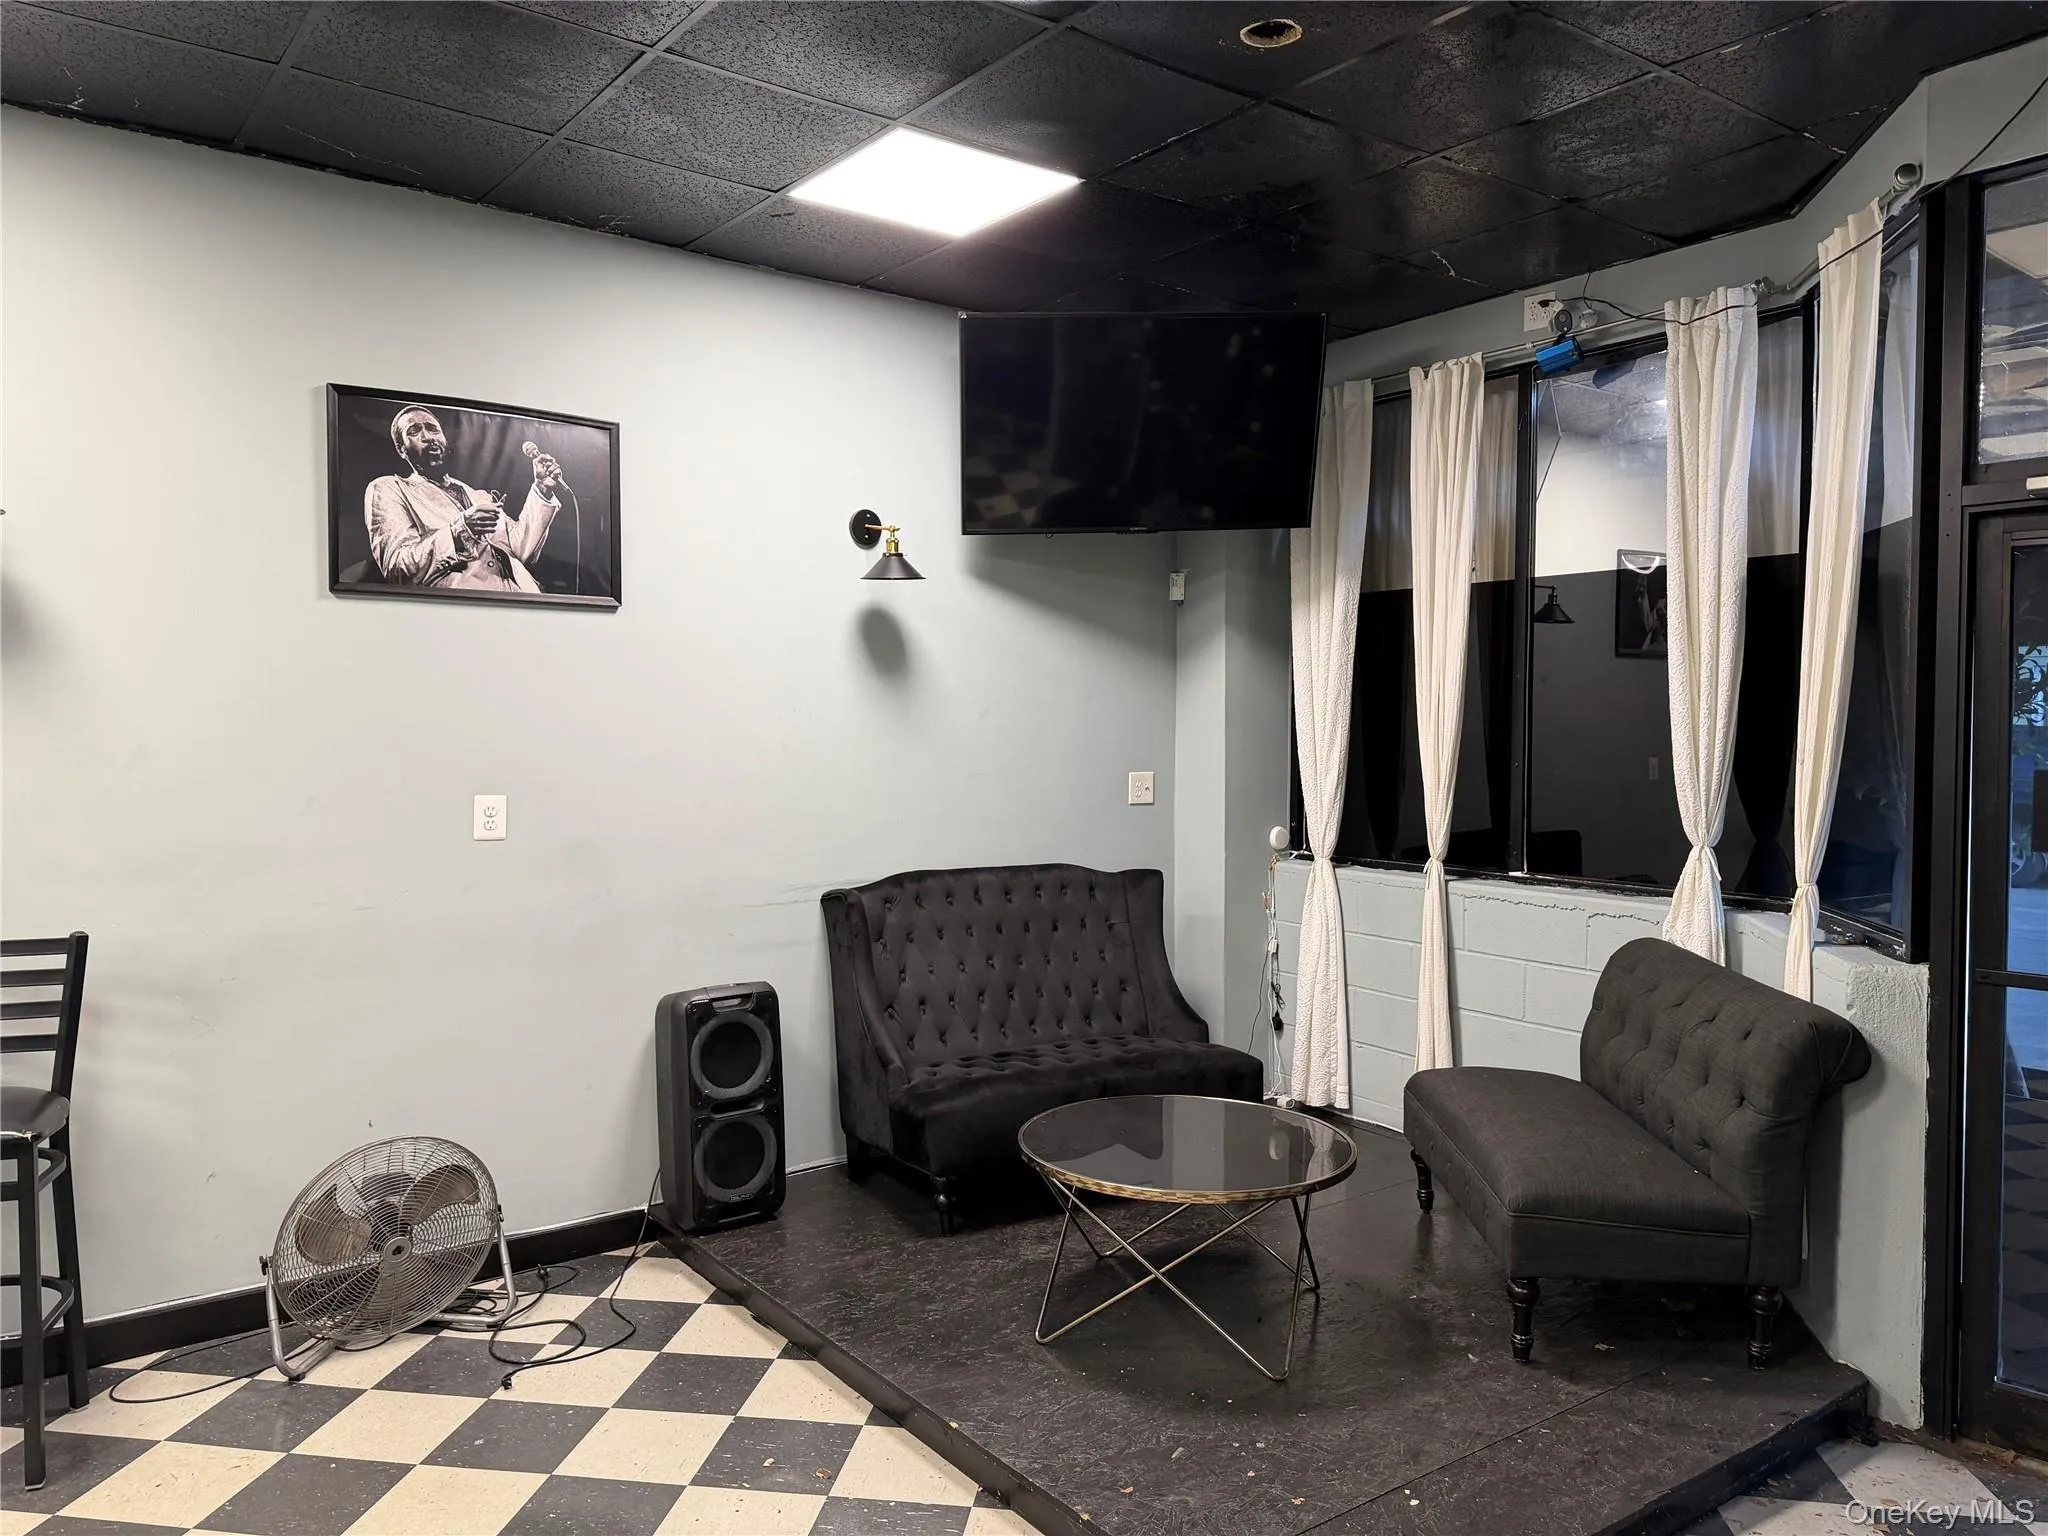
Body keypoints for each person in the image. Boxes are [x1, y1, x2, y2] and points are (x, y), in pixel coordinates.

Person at [364, 405, 562, 592]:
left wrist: (542, 489)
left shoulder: (479, 495)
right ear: (401, 449)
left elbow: (521, 550)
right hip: (464, 610)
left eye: (433, 429)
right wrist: (460, 531)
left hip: (522, 601)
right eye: (414, 431)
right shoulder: (389, 488)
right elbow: (398, 569)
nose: (427, 437)